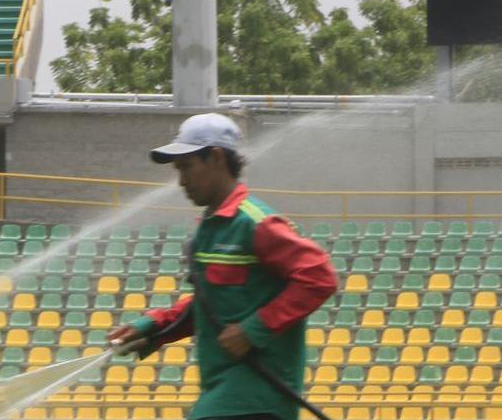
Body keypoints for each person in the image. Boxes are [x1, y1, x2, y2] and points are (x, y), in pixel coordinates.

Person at [109, 113, 338, 420]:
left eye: (187, 166)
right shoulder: (209, 228)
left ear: (216, 157)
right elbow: (211, 305)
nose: (182, 181)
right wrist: (154, 327)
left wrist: (253, 330)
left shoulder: (256, 223)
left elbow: (319, 277)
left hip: (258, 396)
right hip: (224, 390)